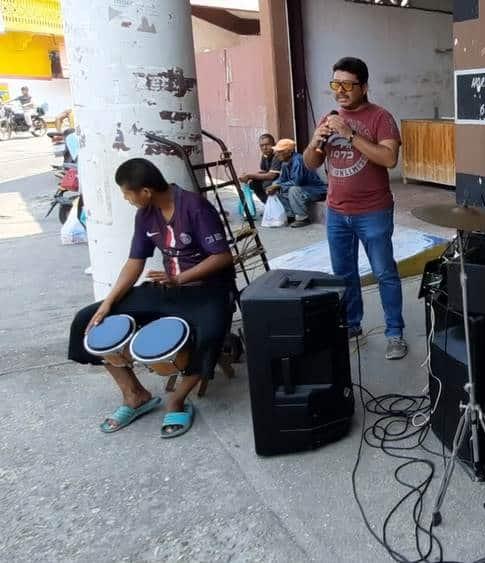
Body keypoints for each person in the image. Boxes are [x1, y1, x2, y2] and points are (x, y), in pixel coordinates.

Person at [68, 158, 236, 438]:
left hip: (209, 290)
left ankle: (177, 399)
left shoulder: (194, 207)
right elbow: (135, 262)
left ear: (145, 191)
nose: (126, 198)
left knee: (210, 335)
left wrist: (179, 278)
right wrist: (109, 302)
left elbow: (222, 256)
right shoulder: (146, 214)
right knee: (88, 319)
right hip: (169, 290)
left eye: (126, 192)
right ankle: (134, 394)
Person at [303, 56, 407, 360]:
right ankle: (351, 324)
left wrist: (349, 133)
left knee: (384, 272)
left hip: (373, 211)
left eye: (348, 85)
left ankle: (394, 333)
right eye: (336, 84)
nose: (341, 91)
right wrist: (315, 142)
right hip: (336, 211)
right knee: (343, 273)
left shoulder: (381, 117)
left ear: (364, 86)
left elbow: (389, 159)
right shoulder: (328, 118)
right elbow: (311, 164)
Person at [266, 138, 327, 228]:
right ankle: (290, 215)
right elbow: (282, 180)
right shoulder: (285, 163)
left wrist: (279, 185)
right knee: (275, 186)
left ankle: (303, 218)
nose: (276, 154)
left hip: (316, 190)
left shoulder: (298, 160)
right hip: (302, 189)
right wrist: (275, 185)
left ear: (288, 152)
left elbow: (296, 182)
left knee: (293, 190)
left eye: (280, 151)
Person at [238, 133, 281, 203]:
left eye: (267, 144)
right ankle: (268, 205)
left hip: (284, 179)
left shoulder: (278, 154)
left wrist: (249, 175)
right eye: (262, 146)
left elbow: (271, 176)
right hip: (274, 177)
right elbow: (264, 171)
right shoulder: (265, 155)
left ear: (274, 144)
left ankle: (277, 206)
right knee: (253, 184)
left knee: (266, 184)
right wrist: (249, 176)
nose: (264, 148)